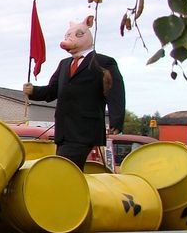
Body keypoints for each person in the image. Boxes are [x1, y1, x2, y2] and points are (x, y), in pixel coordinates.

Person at [23, 14, 125, 169]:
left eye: (77, 35)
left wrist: (116, 119)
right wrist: (33, 91)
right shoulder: (64, 64)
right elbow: (52, 91)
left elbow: (115, 91)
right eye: (68, 36)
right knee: (68, 171)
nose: (70, 39)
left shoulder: (103, 62)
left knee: (64, 169)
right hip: (64, 131)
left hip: (86, 130)